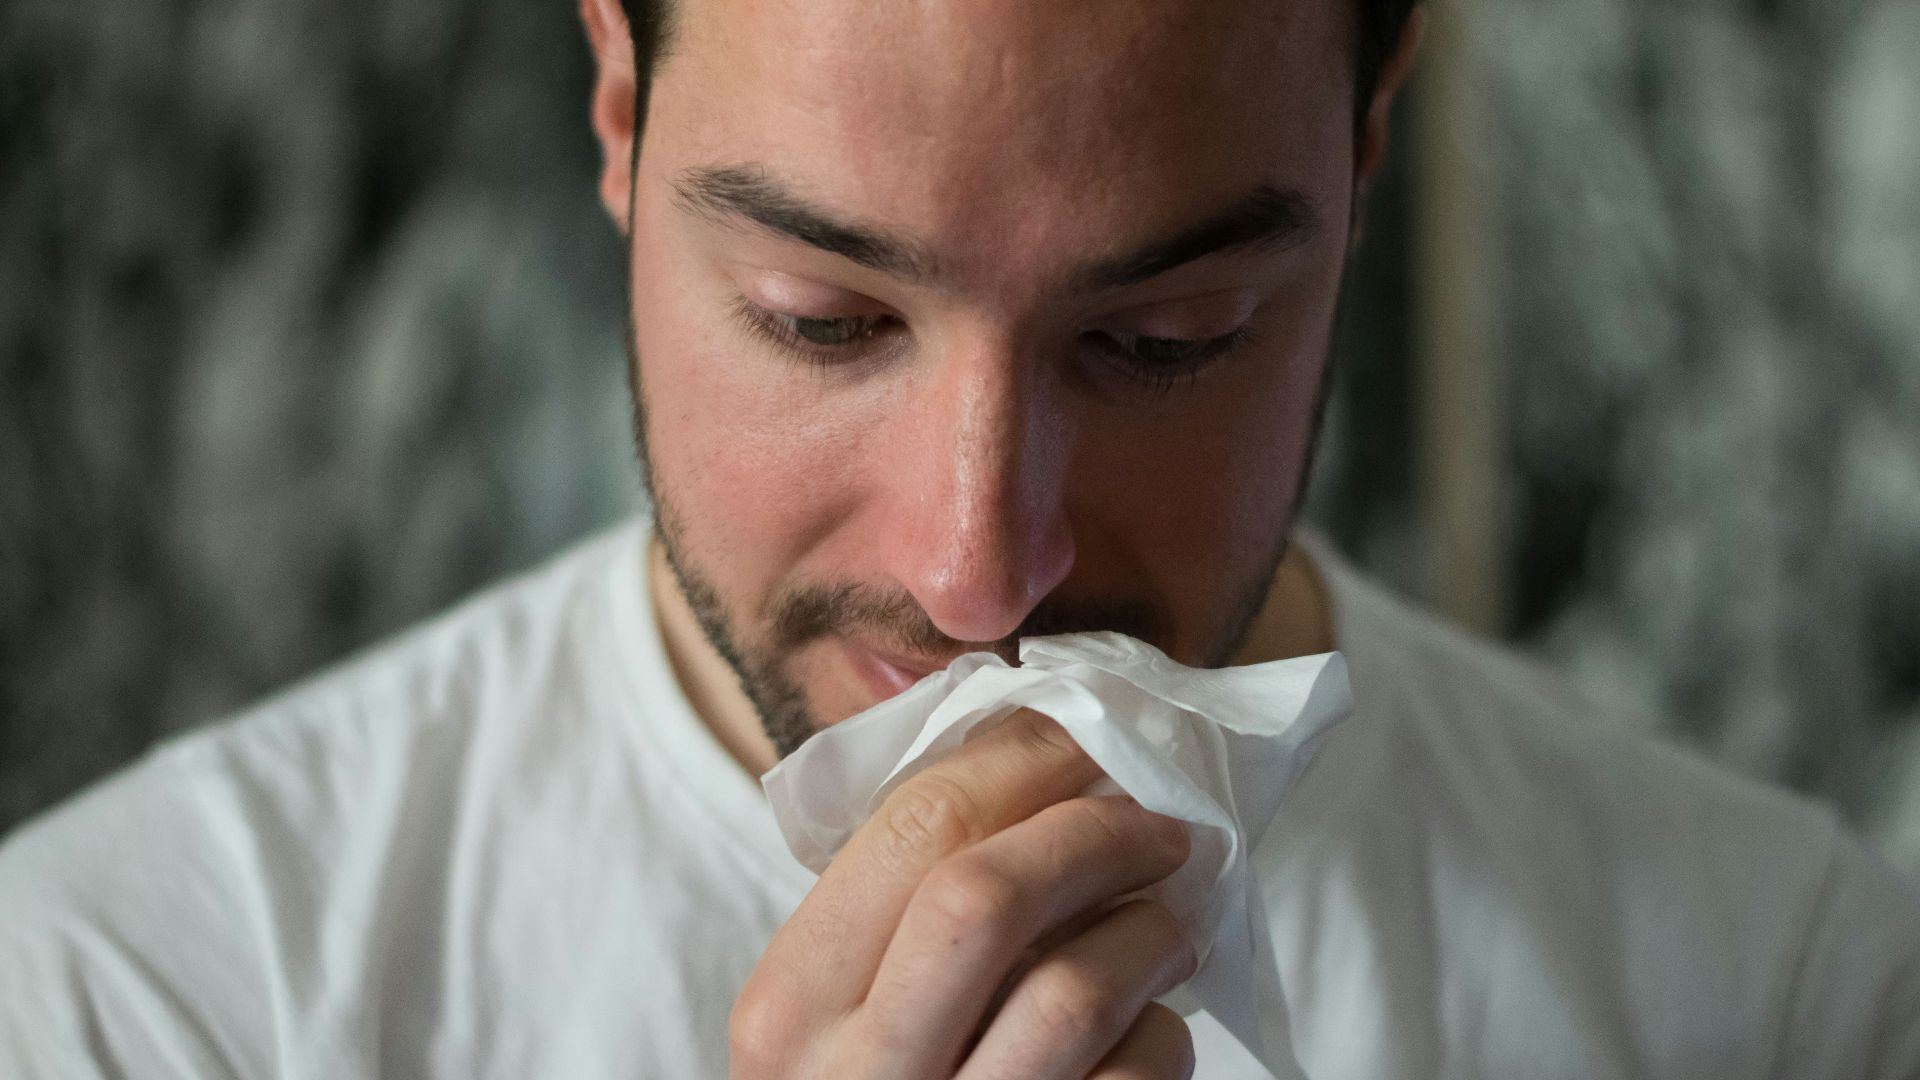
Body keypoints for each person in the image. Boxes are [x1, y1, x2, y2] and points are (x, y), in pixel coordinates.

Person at [3, 0, 1917, 1076]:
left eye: (1167, 340)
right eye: (824, 320)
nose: (978, 570)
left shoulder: (1789, 1000)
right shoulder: (134, 1004)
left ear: (1366, 150)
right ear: (618, 106)